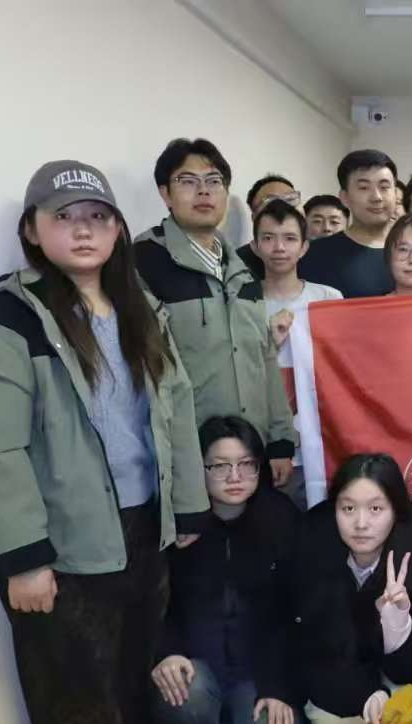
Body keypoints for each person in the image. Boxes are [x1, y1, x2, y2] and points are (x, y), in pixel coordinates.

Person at [0, 160, 209, 724]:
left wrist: (186, 510)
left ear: (118, 228)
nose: (84, 230)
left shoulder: (139, 310)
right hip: (62, 554)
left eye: (98, 216)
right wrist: (24, 559)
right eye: (64, 217)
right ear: (32, 231)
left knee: (137, 696)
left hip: (142, 534)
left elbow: (175, 408)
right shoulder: (5, 324)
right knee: (81, 721)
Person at [154, 416, 305, 724]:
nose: (234, 477)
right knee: (185, 695)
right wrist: (166, 652)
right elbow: (154, 602)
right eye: (219, 466)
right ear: (198, 469)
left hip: (255, 673)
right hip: (197, 665)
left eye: (246, 464)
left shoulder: (280, 517)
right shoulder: (176, 524)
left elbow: (295, 614)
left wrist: (278, 687)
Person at [134, 138, 297, 489]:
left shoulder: (242, 269)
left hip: (250, 454)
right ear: (165, 193)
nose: (203, 191)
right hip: (187, 458)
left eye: (213, 181)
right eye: (188, 181)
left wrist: (281, 439)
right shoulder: (144, 261)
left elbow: (264, 357)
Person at [294, 453, 412, 724]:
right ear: (334, 510)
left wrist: (396, 624)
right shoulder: (314, 548)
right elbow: (316, 650)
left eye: (376, 509)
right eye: (348, 509)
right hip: (342, 671)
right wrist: (368, 695)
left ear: (395, 511)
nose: (361, 524)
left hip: (402, 670)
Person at [256, 200, 342, 507]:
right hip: (263, 442)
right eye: (268, 238)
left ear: (304, 247)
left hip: (317, 442)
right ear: (255, 246)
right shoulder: (241, 302)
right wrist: (269, 343)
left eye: (290, 238)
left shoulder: (328, 299)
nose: (279, 247)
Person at [297, 149, 398, 297]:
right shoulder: (314, 256)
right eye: (364, 188)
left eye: (384, 187)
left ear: (395, 193)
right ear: (344, 198)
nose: (377, 197)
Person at [237, 174, 298, 279]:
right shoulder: (236, 264)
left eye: (290, 200)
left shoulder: (319, 253)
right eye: (271, 202)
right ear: (254, 217)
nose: (283, 208)